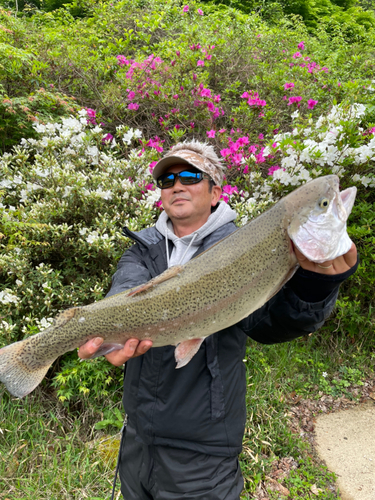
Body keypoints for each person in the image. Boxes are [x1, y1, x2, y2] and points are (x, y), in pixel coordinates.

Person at [78, 140, 358, 499]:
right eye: (167, 179)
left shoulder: (246, 248)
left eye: (191, 175)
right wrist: (104, 335)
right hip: (136, 440)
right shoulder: (141, 249)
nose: (177, 184)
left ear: (216, 193)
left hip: (204, 452)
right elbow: (122, 297)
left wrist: (316, 285)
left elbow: (270, 325)